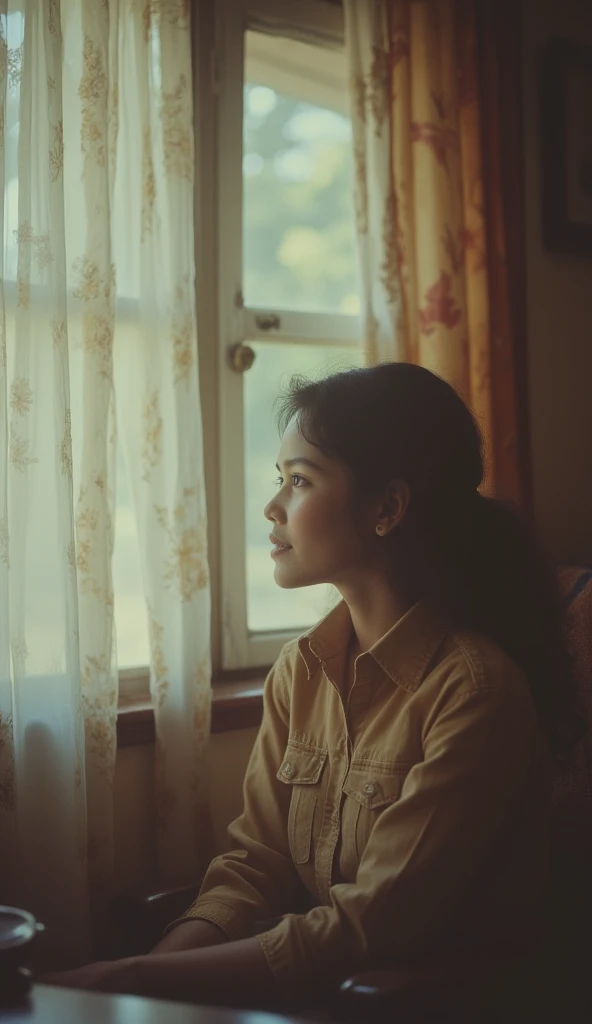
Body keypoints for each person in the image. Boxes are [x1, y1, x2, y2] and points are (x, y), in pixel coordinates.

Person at [43, 363, 585, 1017]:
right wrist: (145, 981)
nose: (272, 507)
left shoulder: (475, 694)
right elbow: (254, 869)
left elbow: (369, 930)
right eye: (280, 480)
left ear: (387, 508)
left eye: (298, 481)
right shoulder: (301, 670)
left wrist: (122, 979)